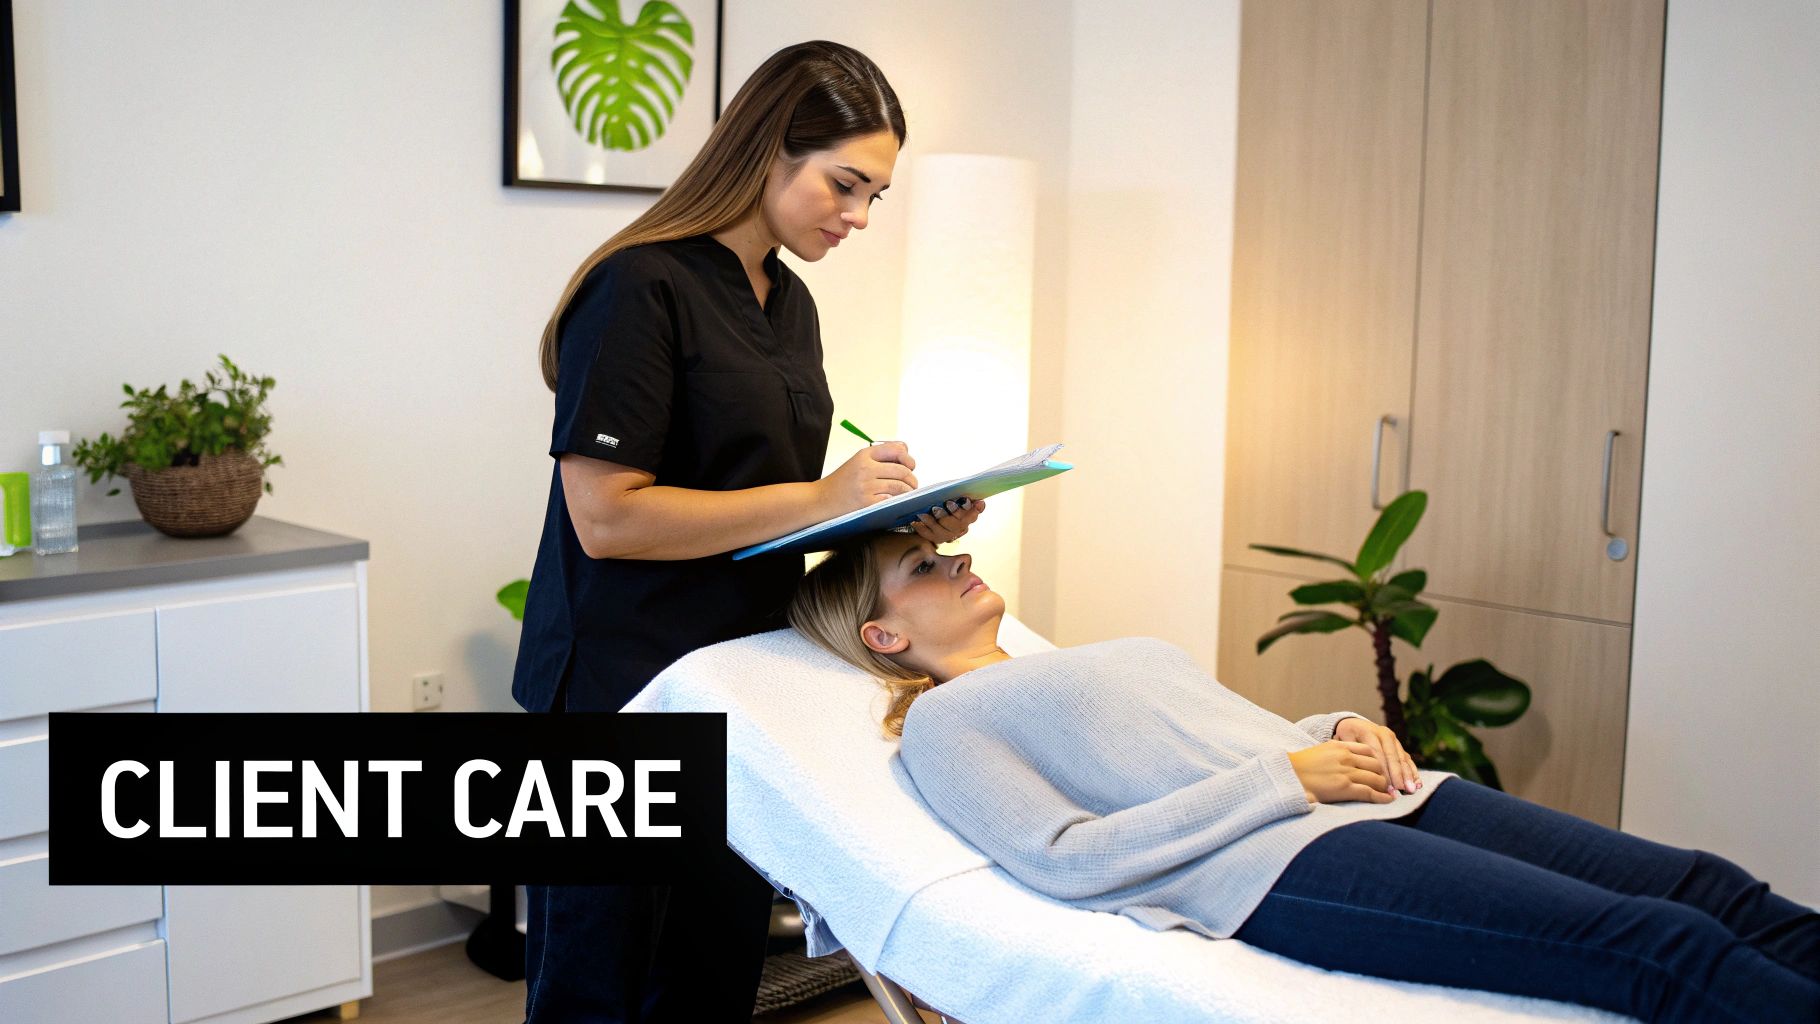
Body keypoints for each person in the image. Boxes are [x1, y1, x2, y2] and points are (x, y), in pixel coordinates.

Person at [786, 531, 1820, 1022]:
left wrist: (1333, 728)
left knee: (1702, 886)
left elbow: (1237, 734)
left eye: (942, 545)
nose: (953, 558)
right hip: (1288, 860)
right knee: (1658, 946)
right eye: (921, 567)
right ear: (883, 634)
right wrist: (1290, 777)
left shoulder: (1073, 660)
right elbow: (1065, 857)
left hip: (1374, 795)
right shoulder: (943, 722)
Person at [510, 41, 986, 1023]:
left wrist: (888, 523)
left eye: (873, 197)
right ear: (770, 148)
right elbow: (605, 518)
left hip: (737, 692)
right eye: (844, 185)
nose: (855, 216)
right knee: (594, 989)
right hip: (618, 691)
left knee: (710, 978)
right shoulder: (639, 287)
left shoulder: (787, 300)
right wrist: (822, 498)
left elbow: (760, 510)